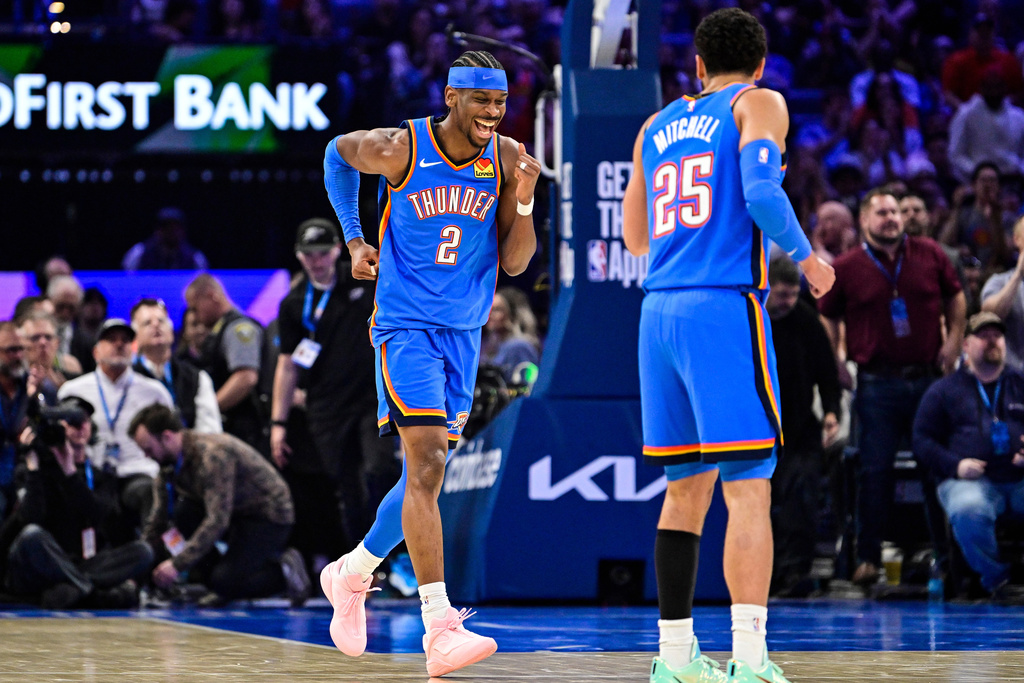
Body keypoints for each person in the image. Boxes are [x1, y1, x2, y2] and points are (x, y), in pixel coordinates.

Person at [621, 9, 835, 683]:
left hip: (658, 313)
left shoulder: (654, 126)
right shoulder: (757, 102)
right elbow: (762, 190)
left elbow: (633, 235)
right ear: (762, 63)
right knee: (747, 489)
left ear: (697, 66)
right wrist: (810, 257)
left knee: (683, 490)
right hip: (720, 306)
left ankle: (677, 659)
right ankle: (748, 659)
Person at [320, 49, 537, 676]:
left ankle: (352, 572)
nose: (493, 114)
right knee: (430, 460)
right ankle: (439, 626)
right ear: (451, 98)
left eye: (499, 103)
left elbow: (516, 263)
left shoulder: (506, 159)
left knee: (427, 478)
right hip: (404, 328)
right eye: (481, 102)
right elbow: (337, 154)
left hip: (463, 336)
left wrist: (522, 199)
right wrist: (355, 237)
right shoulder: (400, 148)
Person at [819, 187, 966, 589]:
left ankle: (947, 557)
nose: (892, 218)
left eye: (896, 212)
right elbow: (827, 316)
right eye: (882, 212)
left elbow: (956, 298)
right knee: (874, 471)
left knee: (933, 468)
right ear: (865, 219)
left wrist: (954, 340)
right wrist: (836, 360)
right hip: (876, 382)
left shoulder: (930, 254)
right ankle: (868, 558)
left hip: (927, 380)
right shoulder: (847, 266)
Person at [270, 218, 394, 573]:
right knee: (347, 489)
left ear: (338, 250)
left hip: (372, 398)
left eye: (323, 252)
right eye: (309, 254)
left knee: (379, 469)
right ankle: (364, 568)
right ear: (298, 256)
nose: (317, 260)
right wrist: (278, 423)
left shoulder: (363, 278)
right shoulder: (293, 305)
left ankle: (393, 553)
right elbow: (287, 365)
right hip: (327, 409)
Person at [128, 404, 311, 606]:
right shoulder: (168, 465)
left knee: (225, 581)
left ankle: (283, 572)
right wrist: (137, 567)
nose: (146, 455)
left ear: (167, 437)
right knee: (184, 513)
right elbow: (158, 520)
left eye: (148, 449)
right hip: (236, 513)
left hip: (268, 516)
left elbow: (217, 520)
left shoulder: (212, 456)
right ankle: (221, 581)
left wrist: (177, 565)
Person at [0, 396, 153, 608]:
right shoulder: (36, 469)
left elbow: (98, 514)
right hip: (45, 561)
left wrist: (70, 472)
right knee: (32, 536)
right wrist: (34, 469)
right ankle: (93, 593)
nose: (80, 427)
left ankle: (74, 588)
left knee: (142, 551)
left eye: (84, 421)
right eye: (72, 422)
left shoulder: (101, 475)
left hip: (84, 562)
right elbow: (30, 518)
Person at [913, 312, 1024, 600]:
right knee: (968, 508)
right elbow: (922, 441)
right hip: (972, 481)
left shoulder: (1019, 382)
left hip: (1018, 477)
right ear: (965, 344)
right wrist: (956, 465)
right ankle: (998, 580)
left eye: (996, 335)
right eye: (983, 336)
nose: (992, 341)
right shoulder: (944, 391)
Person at [764, 257, 842, 598]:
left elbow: (828, 372)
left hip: (798, 428)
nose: (788, 303)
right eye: (781, 295)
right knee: (759, 503)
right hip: (755, 429)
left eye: (793, 295)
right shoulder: (749, 320)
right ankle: (762, 575)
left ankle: (795, 572)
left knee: (802, 496)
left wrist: (831, 411)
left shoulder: (807, 320)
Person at [57, 319, 175, 539]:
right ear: (95, 351)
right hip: (92, 472)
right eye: (111, 340)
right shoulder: (72, 391)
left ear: (134, 348)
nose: (119, 344)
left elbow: (172, 441)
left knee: (150, 490)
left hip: (137, 472)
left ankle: (151, 559)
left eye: (125, 340)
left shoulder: (154, 392)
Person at [184, 274, 268, 455]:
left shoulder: (238, 329)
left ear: (211, 295)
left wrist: (208, 410)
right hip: (233, 427)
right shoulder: (219, 330)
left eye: (195, 307)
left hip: (246, 430)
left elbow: (246, 378)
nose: (195, 316)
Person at [130, 298, 222, 434]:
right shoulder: (128, 379)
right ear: (135, 336)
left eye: (161, 321)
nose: (156, 325)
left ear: (171, 331)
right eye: (147, 323)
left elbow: (211, 432)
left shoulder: (196, 378)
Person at [982, 216, 1024, 370]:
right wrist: (1019, 273)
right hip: (1010, 379)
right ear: (1017, 240)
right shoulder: (999, 282)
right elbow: (991, 317)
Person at [122, 207, 209, 272]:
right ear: (157, 230)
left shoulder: (195, 257)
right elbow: (127, 279)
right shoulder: (139, 253)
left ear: (183, 231)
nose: (171, 232)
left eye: (176, 228)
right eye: (166, 228)